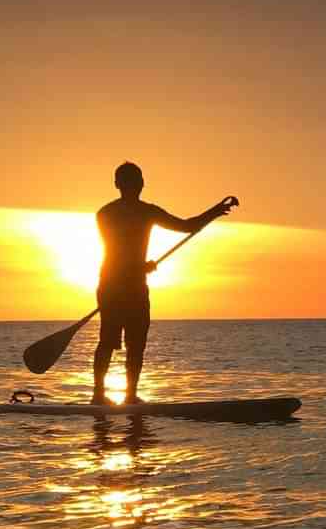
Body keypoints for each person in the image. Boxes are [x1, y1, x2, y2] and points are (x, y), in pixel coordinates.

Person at [92, 162, 235, 405]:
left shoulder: (148, 211)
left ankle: (130, 396)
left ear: (142, 184)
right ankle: (98, 395)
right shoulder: (105, 214)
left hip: (136, 287)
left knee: (136, 343)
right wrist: (140, 267)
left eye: (136, 181)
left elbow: (187, 226)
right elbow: (116, 250)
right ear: (117, 185)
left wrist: (215, 212)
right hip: (112, 286)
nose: (133, 186)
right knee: (108, 340)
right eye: (128, 181)